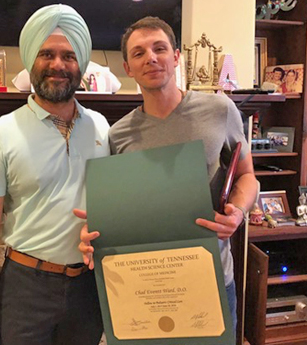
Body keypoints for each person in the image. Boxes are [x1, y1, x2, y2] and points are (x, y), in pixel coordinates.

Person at [78, 16, 258, 338]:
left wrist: (238, 213)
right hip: (145, 285)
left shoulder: (220, 110)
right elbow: (122, 210)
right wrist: (95, 235)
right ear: (128, 67)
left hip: (211, 278)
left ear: (176, 57)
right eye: (139, 53)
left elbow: (248, 176)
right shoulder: (118, 135)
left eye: (160, 48)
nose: (151, 57)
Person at [0, 4, 109, 345]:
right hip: (25, 289)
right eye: (46, 54)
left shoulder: (102, 128)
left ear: (81, 66)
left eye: (68, 56)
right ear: (31, 60)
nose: (57, 64)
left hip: (88, 287)